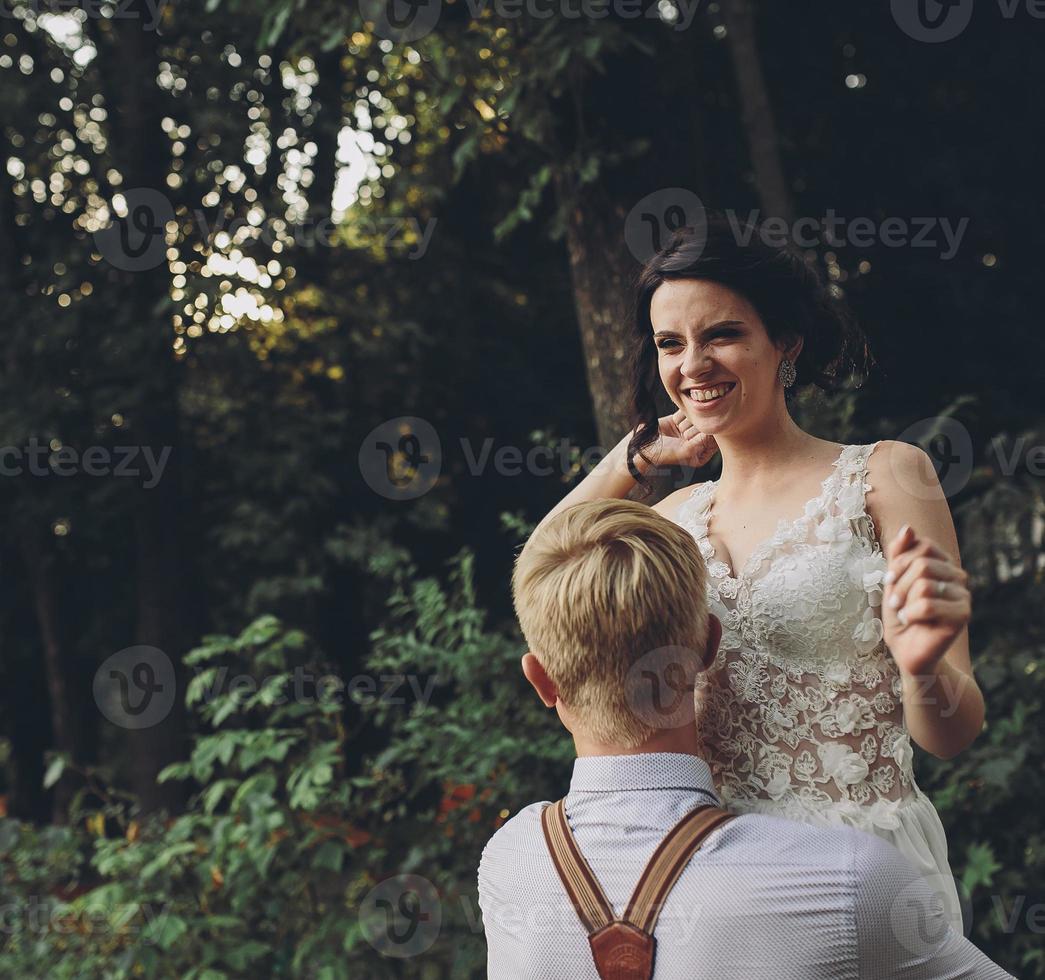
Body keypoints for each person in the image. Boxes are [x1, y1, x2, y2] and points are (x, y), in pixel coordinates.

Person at [533, 216, 982, 926]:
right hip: (713, 873)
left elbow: (950, 734)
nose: (692, 365)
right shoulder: (672, 517)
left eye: (721, 335)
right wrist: (630, 461)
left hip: (863, 873)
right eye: (669, 344)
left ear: (786, 343)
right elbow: (542, 571)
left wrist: (921, 667)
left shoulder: (885, 475)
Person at [477, 499, 1010, 978]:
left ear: (541, 680)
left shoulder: (507, 864)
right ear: (710, 645)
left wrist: (631, 458)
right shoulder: (849, 879)